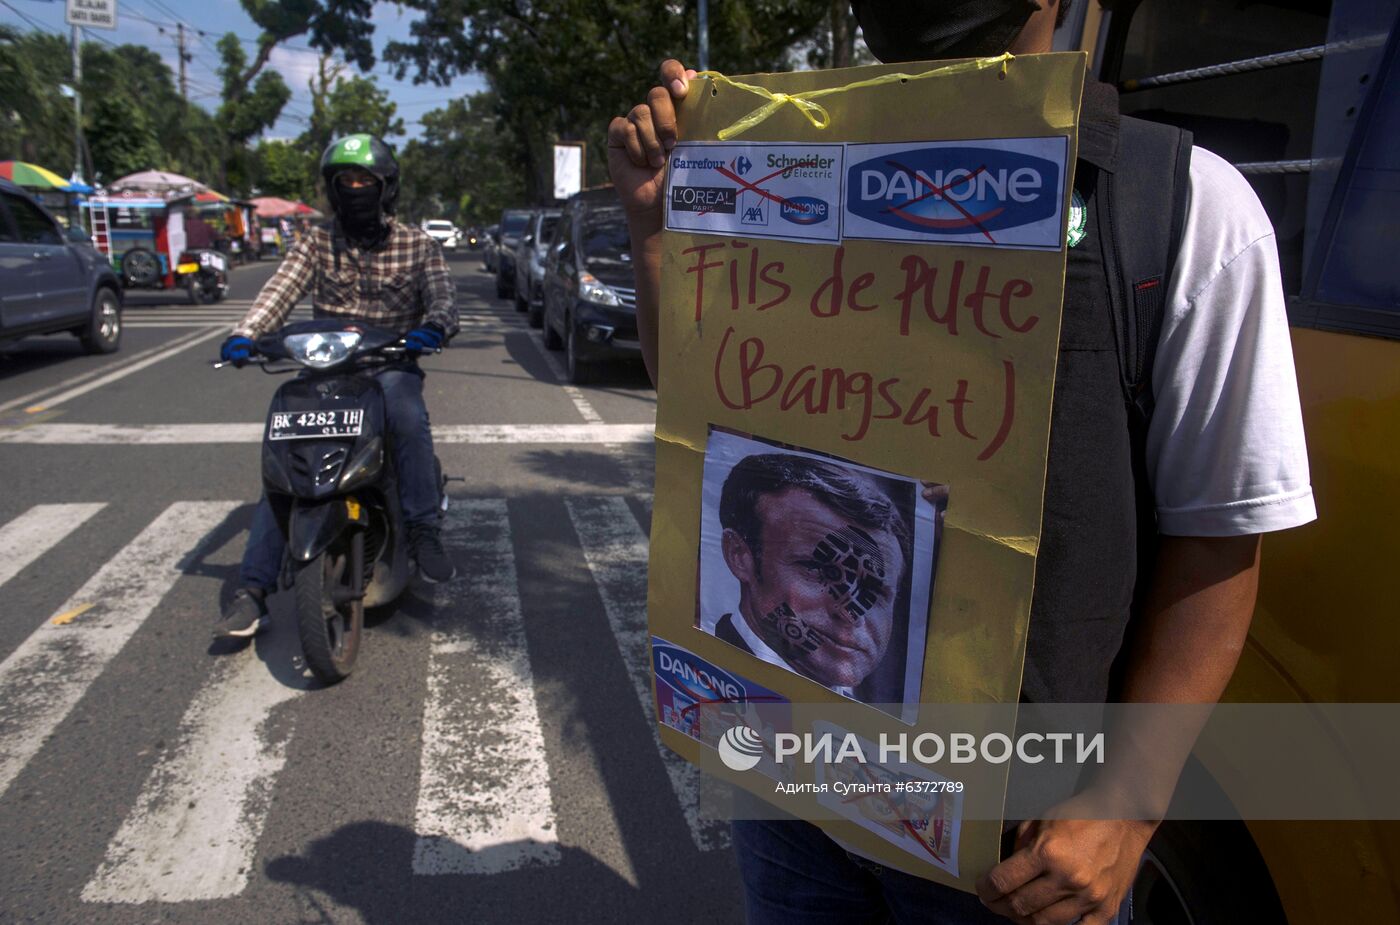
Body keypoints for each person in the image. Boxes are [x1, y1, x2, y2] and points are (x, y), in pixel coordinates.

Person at [608, 1, 1316, 923]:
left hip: (1010, 854)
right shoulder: (773, 172)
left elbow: (1221, 535)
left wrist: (1127, 806)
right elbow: (698, 404)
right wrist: (655, 229)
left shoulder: (1183, 206)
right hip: (784, 793)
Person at [215, 133, 459, 638]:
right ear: (331, 189)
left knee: (408, 419)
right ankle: (253, 589)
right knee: (285, 464)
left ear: (385, 188)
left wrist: (432, 328)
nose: (353, 189)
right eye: (344, 181)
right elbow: (278, 291)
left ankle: (422, 530)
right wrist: (246, 335)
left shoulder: (418, 244)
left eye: (364, 181)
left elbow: (442, 300)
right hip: (326, 373)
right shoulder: (315, 242)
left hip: (389, 365)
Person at [708, 452, 912, 701]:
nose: (851, 612)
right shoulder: (701, 671)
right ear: (739, 555)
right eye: (820, 570)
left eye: (875, 590)